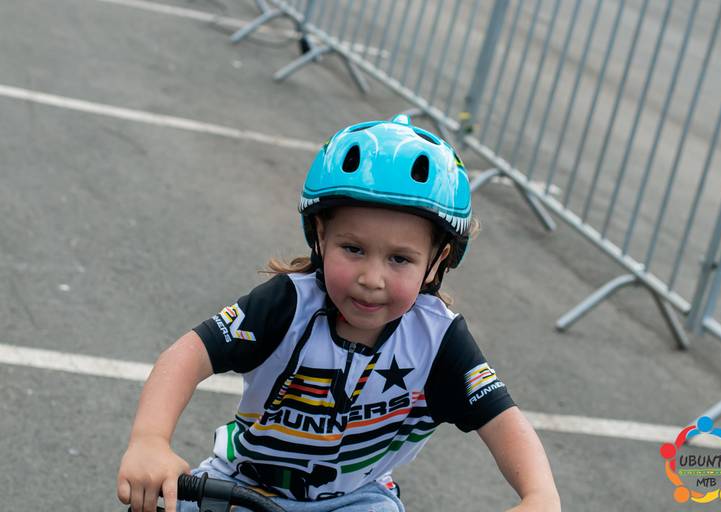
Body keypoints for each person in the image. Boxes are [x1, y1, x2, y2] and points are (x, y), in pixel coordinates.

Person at [117, 115, 560, 512]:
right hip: (244, 485)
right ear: (321, 236)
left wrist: (540, 495)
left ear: (436, 262)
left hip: (355, 499)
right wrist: (149, 440)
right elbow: (187, 355)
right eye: (353, 249)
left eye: (400, 259)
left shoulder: (438, 339)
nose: (372, 278)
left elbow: (504, 421)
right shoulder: (289, 304)